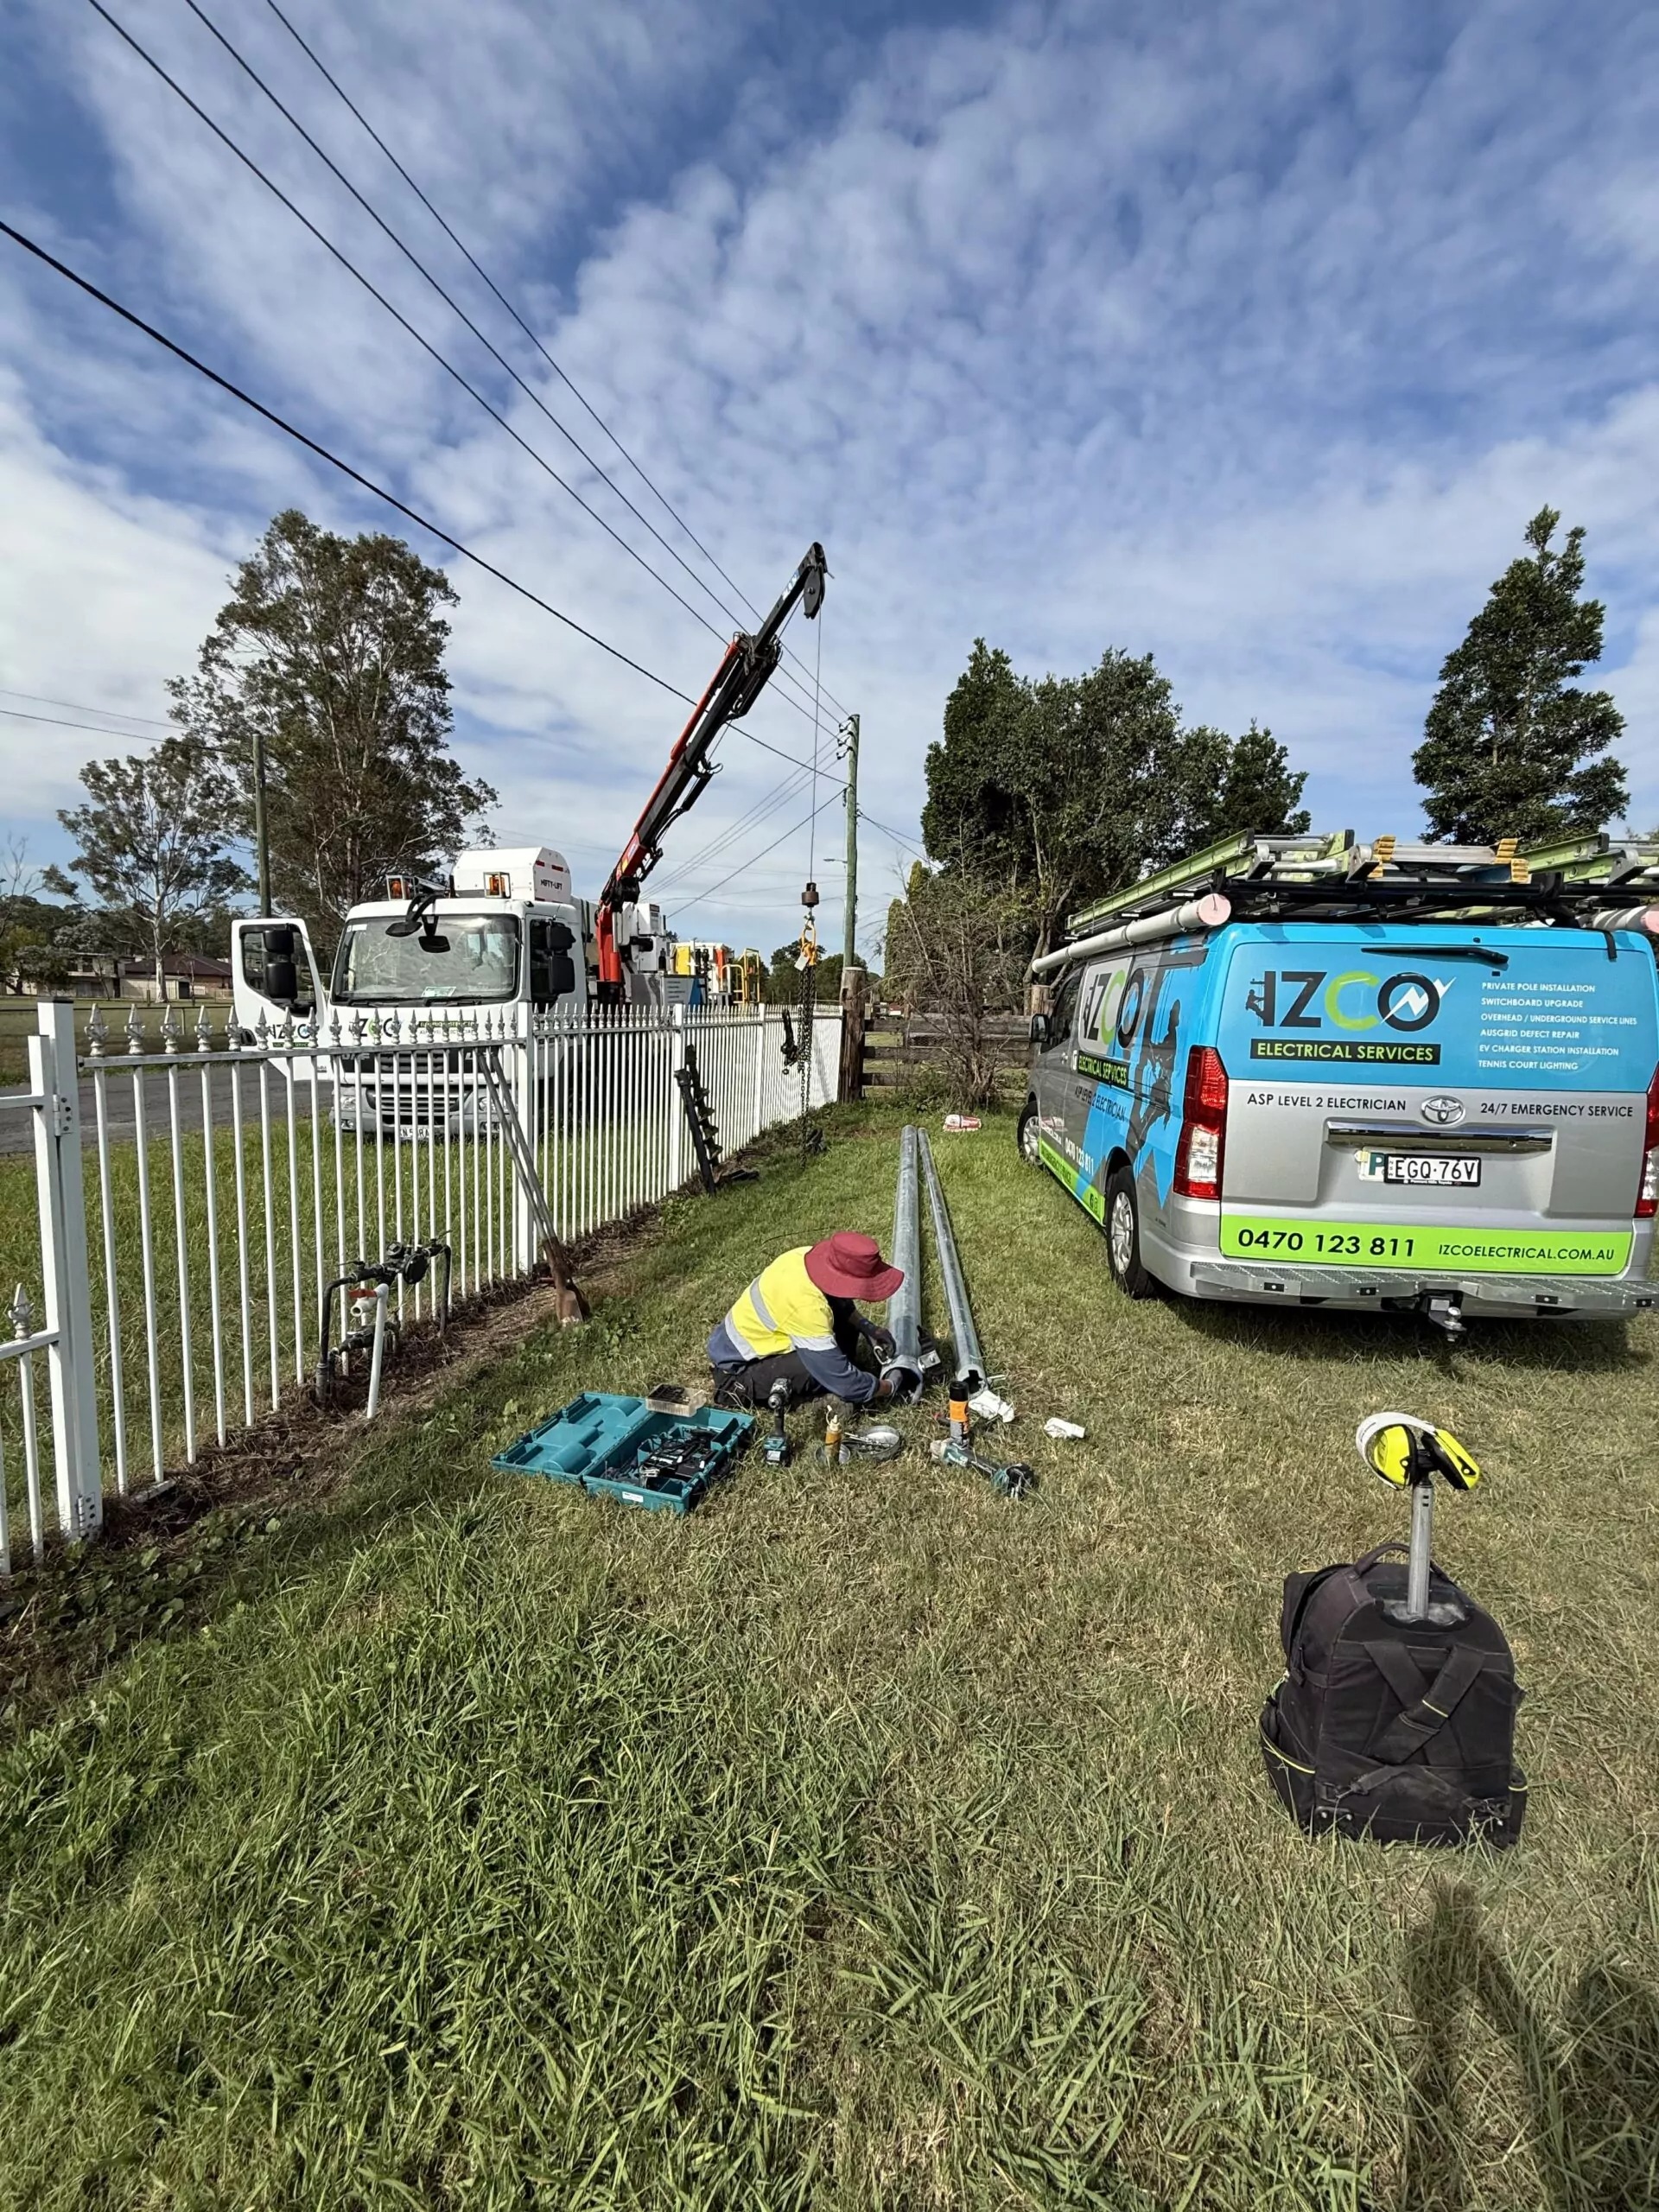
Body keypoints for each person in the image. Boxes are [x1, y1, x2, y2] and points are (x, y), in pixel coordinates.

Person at [708, 1231, 908, 1408]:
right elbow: (844, 1382)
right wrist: (888, 1387)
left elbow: (836, 1298)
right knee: (819, 1370)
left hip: (737, 1345)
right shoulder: (806, 1306)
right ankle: (806, 1400)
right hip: (735, 1375)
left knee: (843, 1335)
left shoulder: (805, 1257)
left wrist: (868, 1329)